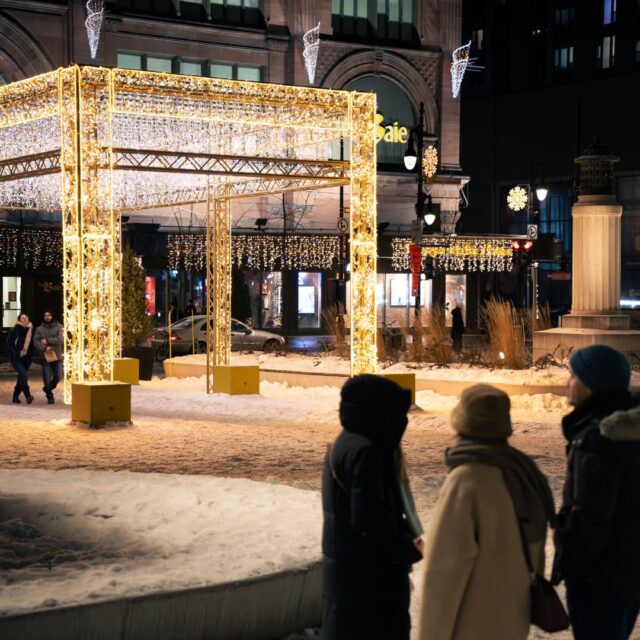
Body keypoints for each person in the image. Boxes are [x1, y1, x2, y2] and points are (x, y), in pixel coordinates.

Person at [418, 384, 555, 640]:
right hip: (513, 619)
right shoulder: (524, 473)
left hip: (472, 624)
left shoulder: (467, 479)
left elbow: (444, 570)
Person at [322, 374, 423, 640]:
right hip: (371, 577)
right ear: (379, 413)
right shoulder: (368, 452)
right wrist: (403, 546)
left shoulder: (344, 443)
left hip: (350, 572)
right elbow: (368, 515)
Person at [552, 345, 640, 640]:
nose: (568, 382)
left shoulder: (600, 441)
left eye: (573, 375)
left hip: (599, 576)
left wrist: (569, 551)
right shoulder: (628, 429)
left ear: (591, 385)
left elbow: (592, 517)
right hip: (627, 569)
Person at [33, 310, 64, 404]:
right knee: (47, 377)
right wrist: (44, 348)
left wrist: (47, 340)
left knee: (58, 376)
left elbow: (61, 339)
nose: (47, 317)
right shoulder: (39, 329)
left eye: (49, 315)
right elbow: (35, 342)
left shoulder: (60, 327)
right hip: (45, 356)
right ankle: (49, 396)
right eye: (45, 315)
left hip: (57, 356)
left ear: (52, 316)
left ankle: (47, 388)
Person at [6, 313, 34, 404]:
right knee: (23, 375)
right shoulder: (14, 330)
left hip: (27, 358)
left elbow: (33, 343)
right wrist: (16, 352)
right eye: (22, 318)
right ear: (19, 320)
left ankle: (15, 398)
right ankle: (28, 395)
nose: (25, 319)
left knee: (21, 377)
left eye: (26, 317)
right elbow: (8, 343)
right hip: (16, 358)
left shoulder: (31, 329)